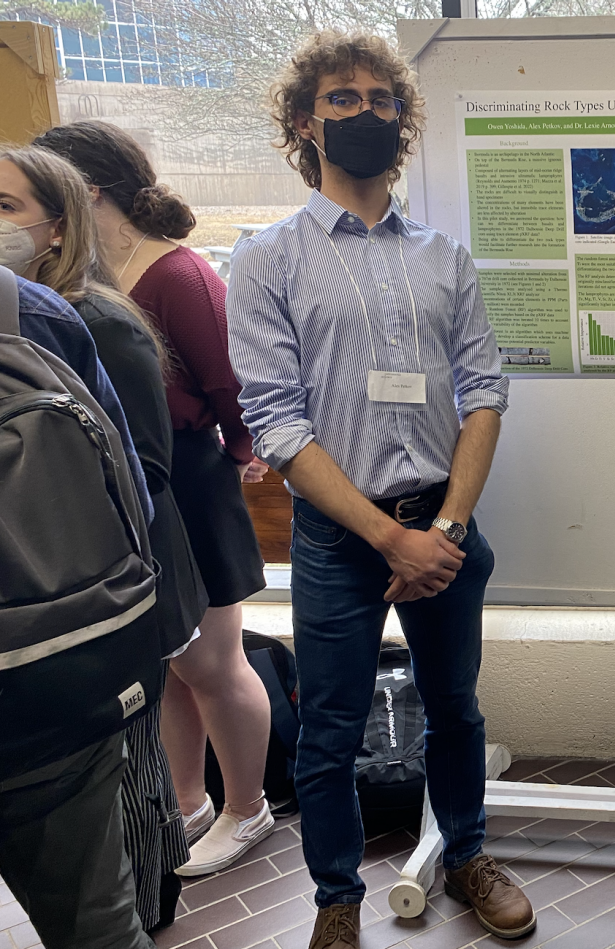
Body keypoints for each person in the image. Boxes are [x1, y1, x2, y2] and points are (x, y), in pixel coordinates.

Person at [225, 30, 532, 948]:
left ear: (404, 119)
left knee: (457, 710)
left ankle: (468, 852)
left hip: (444, 521)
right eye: (342, 99)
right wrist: (386, 539)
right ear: (304, 121)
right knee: (327, 729)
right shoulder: (267, 259)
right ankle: (335, 898)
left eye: (380, 100)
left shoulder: (444, 257)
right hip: (337, 535)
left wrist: (441, 528)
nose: (364, 114)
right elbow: (279, 424)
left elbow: (484, 392)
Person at [34, 120, 275, 876]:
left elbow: (229, 385)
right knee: (167, 660)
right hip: (128, 491)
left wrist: (244, 452)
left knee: (213, 662)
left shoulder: (175, 275)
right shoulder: (84, 275)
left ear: (84, 189)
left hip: (187, 488)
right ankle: (187, 800)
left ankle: (247, 808)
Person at [0, 143, 206, 931]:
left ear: (62, 223)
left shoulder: (76, 318)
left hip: (92, 610)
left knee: (108, 872)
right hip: (71, 627)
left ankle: (163, 870)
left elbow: (138, 471)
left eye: (8, 205)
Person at [0, 267, 155, 949]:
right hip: (59, 671)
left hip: (47, 706)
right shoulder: (30, 309)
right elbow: (129, 497)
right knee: (98, 923)